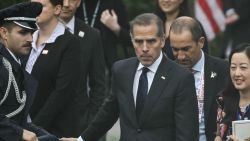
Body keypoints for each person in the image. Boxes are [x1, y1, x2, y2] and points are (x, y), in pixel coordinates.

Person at [60, 13, 199, 141]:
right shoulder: (121, 70)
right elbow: (108, 113)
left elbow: (186, 134)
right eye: (139, 41)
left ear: (162, 40)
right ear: (132, 40)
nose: (144, 48)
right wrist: (81, 140)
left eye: (151, 41)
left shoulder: (181, 78)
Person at [24, 0, 84, 138]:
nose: (34, 10)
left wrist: (34, 127)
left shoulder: (70, 43)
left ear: (57, 9)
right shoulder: (26, 38)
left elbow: (62, 91)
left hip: (54, 130)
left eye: (41, 6)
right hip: (24, 128)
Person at [0, 2, 58, 141]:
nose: (30, 39)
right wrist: (19, 133)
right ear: (4, 33)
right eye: (23, 32)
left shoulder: (15, 64)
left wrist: (49, 137)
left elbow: (18, 119)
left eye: (31, 33)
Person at [169, 16, 229, 141]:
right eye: (175, 49)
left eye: (186, 49)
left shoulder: (224, 69)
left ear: (201, 42)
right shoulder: (166, 73)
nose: (180, 56)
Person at [59, 0, 106, 135]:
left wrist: (90, 120)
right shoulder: (36, 32)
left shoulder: (91, 35)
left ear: (79, 2)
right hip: (41, 121)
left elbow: (99, 84)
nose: (66, 4)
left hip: (78, 123)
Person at [215, 43, 250, 141]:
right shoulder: (223, 100)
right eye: (233, 67)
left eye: (243, 67)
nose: (237, 73)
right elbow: (218, 135)